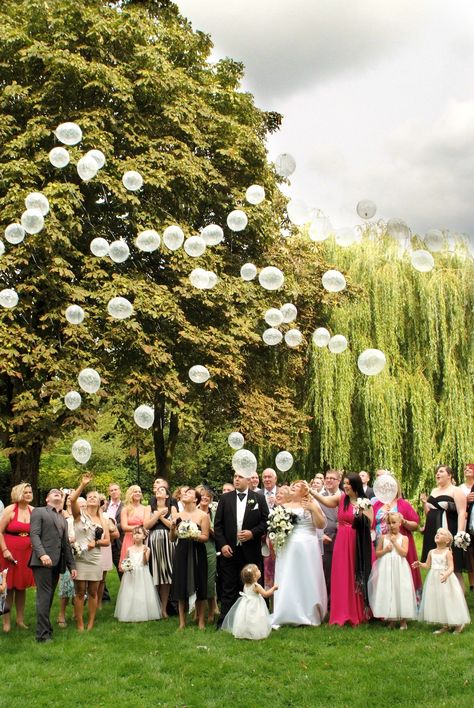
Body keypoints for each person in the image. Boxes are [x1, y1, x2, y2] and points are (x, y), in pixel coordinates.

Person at [313, 473, 374, 626]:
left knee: (356, 574)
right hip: (341, 541)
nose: (345, 486)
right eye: (344, 483)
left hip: (357, 541)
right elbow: (326, 501)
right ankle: (341, 611)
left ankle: (359, 611)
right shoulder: (341, 498)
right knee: (341, 574)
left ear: (356, 485)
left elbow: (370, 523)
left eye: (348, 483)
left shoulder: (365, 502)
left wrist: (360, 513)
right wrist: (312, 491)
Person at [214, 469, 269, 626]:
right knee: (228, 586)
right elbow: (218, 525)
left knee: (251, 587)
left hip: (250, 551)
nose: (236, 479)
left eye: (240, 477)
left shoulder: (258, 498)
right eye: (235, 477)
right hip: (229, 551)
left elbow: (266, 522)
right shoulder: (225, 499)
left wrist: (252, 533)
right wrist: (223, 544)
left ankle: (252, 622)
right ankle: (225, 622)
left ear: (249, 480)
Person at [271, 480, 327, 628]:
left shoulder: (311, 504)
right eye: (292, 486)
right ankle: (286, 612)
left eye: (296, 486)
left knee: (307, 577)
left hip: (308, 546)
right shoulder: (283, 506)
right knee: (288, 577)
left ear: (304, 490)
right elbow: (276, 528)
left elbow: (321, 525)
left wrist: (313, 509)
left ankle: (309, 613)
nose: (293, 488)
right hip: (288, 547)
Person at [29, 488, 76, 642]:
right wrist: (42, 554)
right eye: (53, 492)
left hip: (57, 563)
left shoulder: (63, 519)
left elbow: (66, 545)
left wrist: (72, 566)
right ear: (47, 499)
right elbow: (34, 534)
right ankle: (42, 636)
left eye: (59, 492)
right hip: (42, 562)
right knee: (44, 597)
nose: (57, 493)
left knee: (48, 598)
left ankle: (46, 628)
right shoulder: (39, 511)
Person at [69, 474, 110, 631]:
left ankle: (91, 622)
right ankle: (79, 623)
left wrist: (97, 542)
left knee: (93, 592)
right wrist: (82, 484)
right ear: (86, 500)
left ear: (99, 502)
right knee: (80, 591)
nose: (92, 498)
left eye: (95, 496)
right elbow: (72, 500)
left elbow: (107, 541)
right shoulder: (79, 516)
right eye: (90, 496)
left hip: (95, 558)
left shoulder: (102, 520)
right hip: (80, 558)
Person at [372, 477, 422, 600]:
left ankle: (405, 601)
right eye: (384, 486)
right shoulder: (376, 504)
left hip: (398, 543)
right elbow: (371, 523)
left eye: (389, 485)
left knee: (400, 573)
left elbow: (415, 525)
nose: (386, 488)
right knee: (382, 573)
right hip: (381, 543)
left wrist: (403, 521)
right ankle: (383, 603)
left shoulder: (403, 504)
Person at [414, 528, 470, 634]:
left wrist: (446, 574)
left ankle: (458, 624)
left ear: (447, 540)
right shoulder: (431, 552)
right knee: (439, 600)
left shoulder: (447, 552)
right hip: (434, 579)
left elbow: (451, 567)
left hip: (446, 580)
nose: (437, 534)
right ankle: (445, 624)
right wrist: (420, 564)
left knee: (448, 600)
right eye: (437, 533)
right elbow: (427, 565)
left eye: (441, 534)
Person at [368, 512, 417, 630]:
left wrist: (395, 543)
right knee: (388, 589)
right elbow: (377, 554)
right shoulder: (383, 538)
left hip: (399, 567)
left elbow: (404, 553)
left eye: (394, 523)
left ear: (400, 523)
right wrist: (385, 550)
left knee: (400, 589)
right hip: (386, 568)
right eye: (389, 523)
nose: (391, 525)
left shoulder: (404, 538)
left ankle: (403, 620)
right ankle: (391, 618)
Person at [170, 488, 210, 629]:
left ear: (195, 499)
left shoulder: (203, 516)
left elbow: (205, 537)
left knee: (200, 583)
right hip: (182, 550)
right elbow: (172, 538)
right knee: (181, 583)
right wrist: (172, 527)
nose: (185, 494)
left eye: (189, 493)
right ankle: (182, 622)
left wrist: (194, 535)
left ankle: (201, 620)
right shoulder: (178, 515)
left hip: (197, 550)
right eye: (184, 493)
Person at [420, 465, 466, 585]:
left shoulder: (456, 490)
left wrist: (460, 534)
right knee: (436, 564)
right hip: (433, 530)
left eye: (441, 471)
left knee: (454, 567)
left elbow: (461, 512)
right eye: (436, 472)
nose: (437, 474)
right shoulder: (434, 491)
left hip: (449, 529)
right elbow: (429, 512)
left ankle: (458, 598)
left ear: (449, 475)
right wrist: (425, 503)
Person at [0, 482, 35, 632]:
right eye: (25, 492)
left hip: (26, 553)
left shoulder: (33, 511)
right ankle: (6, 622)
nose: (29, 494)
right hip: (9, 552)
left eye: (30, 492)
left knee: (22, 587)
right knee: (8, 587)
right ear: (19, 493)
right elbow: (0, 532)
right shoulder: (10, 509)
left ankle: (20, 620)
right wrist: (5, 550)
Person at [115, 525, 161, 622]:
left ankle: (143, 613)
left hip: (142, 573)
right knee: (130, 592)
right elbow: (126, 561)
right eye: (134, 533)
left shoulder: (147, 549)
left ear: (144, 536)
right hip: (131, 574)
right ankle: (129, 613)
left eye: (139, 533)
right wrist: (126, 567)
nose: (136, 535)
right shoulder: (129, 549)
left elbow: (145, 562)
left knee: (142, 592)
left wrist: (144, 554)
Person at [222, 563, 277, 640]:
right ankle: (255, 633)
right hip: (255, 605)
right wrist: (273, 588)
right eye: (257, 570)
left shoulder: (246, 585)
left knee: (246, 618)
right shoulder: (256, 586)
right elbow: (266, 594)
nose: (259, 570)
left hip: (246, 604)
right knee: (256, 618)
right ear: (254, 576)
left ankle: (245, 632)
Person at [144, 484, 175, 618]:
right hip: (154, 541)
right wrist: (156, 514)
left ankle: (164, 608)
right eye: (157, 489)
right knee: (154, 573)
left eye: (162, 489)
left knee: (166, 574)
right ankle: (154, 608)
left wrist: (161, 517)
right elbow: (147, 525)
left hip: (168, 541)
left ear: (167, 495)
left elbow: (173, 525)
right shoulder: (149, 508)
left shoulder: (172, 508)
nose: (158, 490)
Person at [196, 485, 218, 622]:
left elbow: (219, 534)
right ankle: (198, 613)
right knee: (197, 581)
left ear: (210, 500)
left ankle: (210, 612)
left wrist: (209, 528)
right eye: (202, 495)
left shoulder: (214, 513)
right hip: (195, 548)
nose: (205, 497)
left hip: (210, 549)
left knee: (209, 582)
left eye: (207, 496)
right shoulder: (194, 512)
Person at [320, 469, 342, 603]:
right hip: (326, 539)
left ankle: (340, 600)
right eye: (326, 478)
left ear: (338, 481)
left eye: (331, 478)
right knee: (327, 572)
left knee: (341, 571)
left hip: (343, 539)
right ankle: (328, 603)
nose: (328, 480)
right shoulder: (319, 496)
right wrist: (320, 534)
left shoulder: (345, 496)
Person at [98, 494, 119, 609]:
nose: (103, 504)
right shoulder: (86, 515)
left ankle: (99, 603)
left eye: (104, 501)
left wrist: (106, 533)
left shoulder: (107, 516)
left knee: (102, 579)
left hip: (105, 549)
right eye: (102, 501)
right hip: (92, 548)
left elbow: (115, 533)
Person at [119, 485, 150, 563]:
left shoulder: (145, 509)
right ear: (130, 494)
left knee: (141, 564)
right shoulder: (125, 509)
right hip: (130, 538)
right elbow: (124, 527)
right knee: (129, 564)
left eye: (139, 491)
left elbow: (147, 524)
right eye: (135, 491)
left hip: (142, 539)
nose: (138, 493)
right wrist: (139, 529)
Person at [459, 463, 474, 591]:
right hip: (466, 523)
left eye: (470, 468)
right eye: (465, 468)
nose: (467, 469)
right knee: (469, 554)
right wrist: (466, 500)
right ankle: (472, 585)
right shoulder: (461, 488)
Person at [105, 482, 123, 581]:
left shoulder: (125, 507)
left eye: (115, 489)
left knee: (121, 569)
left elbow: (125, 522)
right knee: (101, 571)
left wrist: (112, 527)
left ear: (120, 491)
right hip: (105, 543)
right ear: (109, 493)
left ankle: (125, 594)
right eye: (111, 490)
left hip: (119, 542)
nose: (114, 492)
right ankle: (104, 596)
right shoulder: (104, 506)